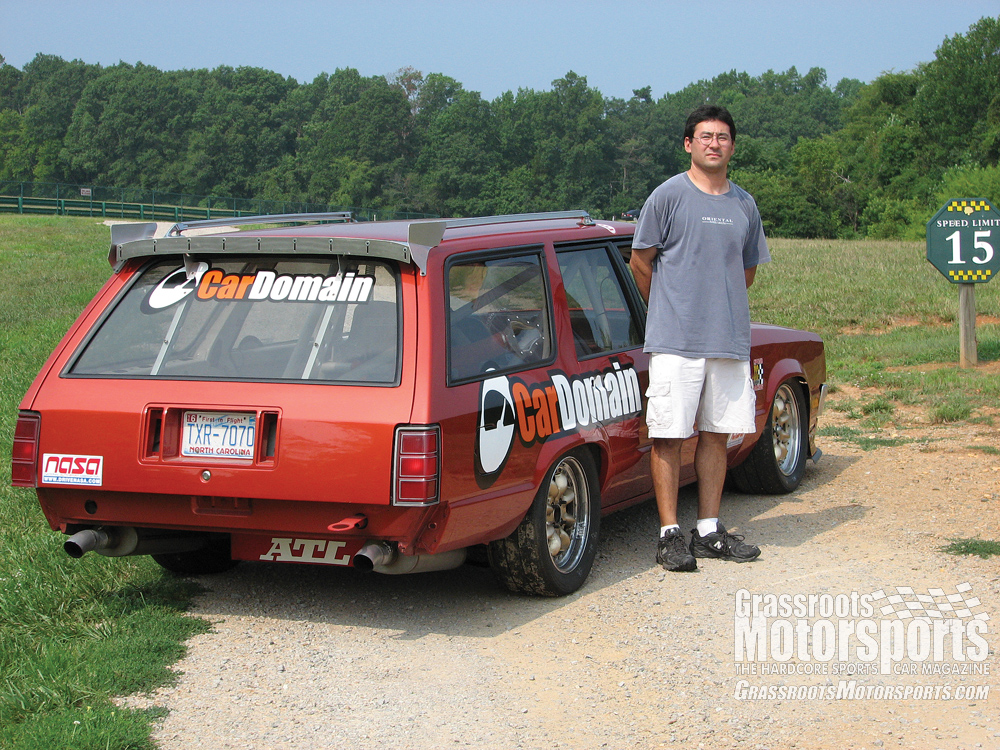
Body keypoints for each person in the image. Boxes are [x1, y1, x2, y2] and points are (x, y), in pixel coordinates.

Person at [629, 104, 769, 572]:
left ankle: (708, 530)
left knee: (715, 436)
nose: (715, 143)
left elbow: (745, 272)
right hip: (674, 344)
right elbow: (640, 262)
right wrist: (670, 312)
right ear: (689, 144)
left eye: (723, 137)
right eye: (705, 136)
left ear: (732, 145)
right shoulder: (667, 196)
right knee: (669, 435)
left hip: (728, 342)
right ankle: (669, 535)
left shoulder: (744, 204)